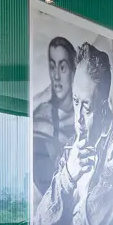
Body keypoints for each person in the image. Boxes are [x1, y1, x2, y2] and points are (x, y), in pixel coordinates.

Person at [34, 42, 113, 225]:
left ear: (102, 106)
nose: (78, 118)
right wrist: (68, 176)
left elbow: (91, 224)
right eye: (75, 102)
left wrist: (77, 190)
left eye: (86, 106)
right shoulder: (74, 148)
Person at [32, 36, 76, 192]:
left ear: (73, 71)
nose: (56, 76)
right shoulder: (41, 118)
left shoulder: (86, 115)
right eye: (52, 67)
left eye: (62, 67)